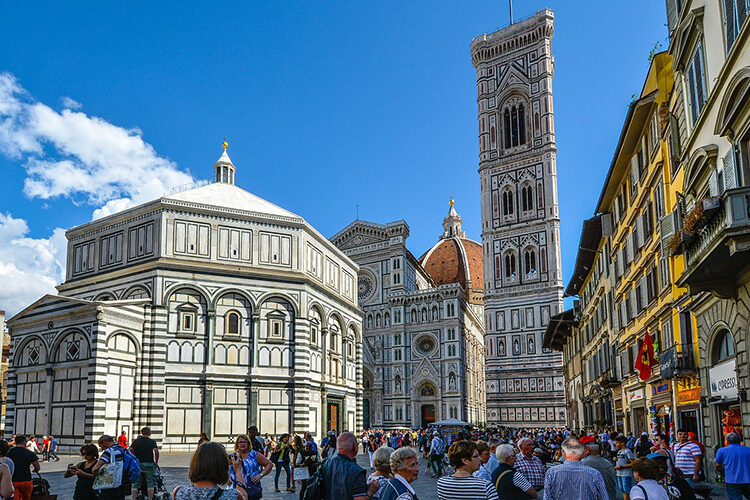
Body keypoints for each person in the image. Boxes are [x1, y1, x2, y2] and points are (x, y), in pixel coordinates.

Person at [173, 441, 248, 500]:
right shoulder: (232, 496)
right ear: (222, 466)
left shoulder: (179, 492)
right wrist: (238, 470)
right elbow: (244, 496)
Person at [542, 438, 608, 500]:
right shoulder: (594, 474)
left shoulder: (552, 472)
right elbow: (604, 497)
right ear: (582, 453)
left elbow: (547, 497)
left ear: (563, 453)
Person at [321, 432, 370, 500]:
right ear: (354, 446)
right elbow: (360, 498)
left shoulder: (326, 464)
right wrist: (371, 492)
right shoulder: (356, 472)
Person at [228, 434, 273, 500]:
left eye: (245, 442)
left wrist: (260, 475)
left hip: (251, 488)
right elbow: (223, 468)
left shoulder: (254, 454)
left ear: (249, 444)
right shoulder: (232, 456)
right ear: (237, 444)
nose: (243, 444)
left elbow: (269, 464)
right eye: (240, 442)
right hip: (235, 489)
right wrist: (228, 478)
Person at [91, 435, 131, 500]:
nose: (103, 449)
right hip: (121, 483)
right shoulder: (123, 449)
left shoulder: (109, 451)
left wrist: (95, 475)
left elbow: (95, 468)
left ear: (104, 443)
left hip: (109, 485)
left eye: (101, 447)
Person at [715, 432, 750, 500]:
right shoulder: (748, 450)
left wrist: (721, 472)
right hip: (748, 479)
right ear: (740, 440)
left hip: (732, 480)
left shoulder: (722, 451)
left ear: (727, 441)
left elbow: (717, 465)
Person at [130, 427, 160, 500]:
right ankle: (150, 498)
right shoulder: (152, 441)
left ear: (142, 433)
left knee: (135, 484)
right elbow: (156, 452)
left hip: (138, 464)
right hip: (149, 463)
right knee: (150, 483)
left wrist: (133, 459)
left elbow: (129, 450)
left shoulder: (136, 441)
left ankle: (133, 498)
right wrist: (156, 462)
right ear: (149, 433)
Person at [8, 434, 39, 500]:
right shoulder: (30, 453)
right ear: (24, 442)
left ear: (15, 442)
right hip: (26, 480)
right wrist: (34, 470)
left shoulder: (9, 452)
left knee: (15, 498)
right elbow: (37, 467)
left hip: (13, 481)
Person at [614, 435, 636, 500]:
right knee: (622, 489)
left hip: (626, 474)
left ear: (622, 443)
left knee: (627, 489)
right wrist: (616, 459)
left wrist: (621, 466)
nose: (616, 444)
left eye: (617, 442)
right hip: (619, 473)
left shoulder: (628, 451)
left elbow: (633, 463)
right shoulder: (619, 451)